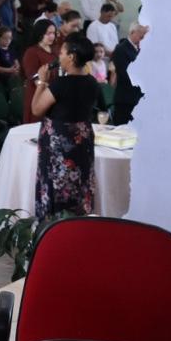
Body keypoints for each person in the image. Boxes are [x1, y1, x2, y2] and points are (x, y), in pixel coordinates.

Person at [31, 35, 99, 221]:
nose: (59, 56)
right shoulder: (92, 83)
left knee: (56, 186)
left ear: (72, 57)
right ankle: (78, 225)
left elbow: (36, 109)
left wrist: (41, 83)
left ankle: (53, 227)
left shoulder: (61, 84)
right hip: (82, 141)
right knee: (80, 183)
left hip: (59, 144)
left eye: (61, 53)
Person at [21, 20, 58, 124]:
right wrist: (46, 87)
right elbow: (33, 77)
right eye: (48, 33)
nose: (52, 36)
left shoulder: (55, 50)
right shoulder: (32, 52)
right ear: (40, 34)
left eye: (53, 33)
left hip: (52, 95)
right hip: (37, 94)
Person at [111, 23, 147, 124]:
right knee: (122, 129)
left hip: (137, 98)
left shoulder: (140, 49)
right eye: (141, 37)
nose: (143, 39)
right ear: (132, 32)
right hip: (126, 98)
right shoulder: (121, 49)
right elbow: (124, 74)